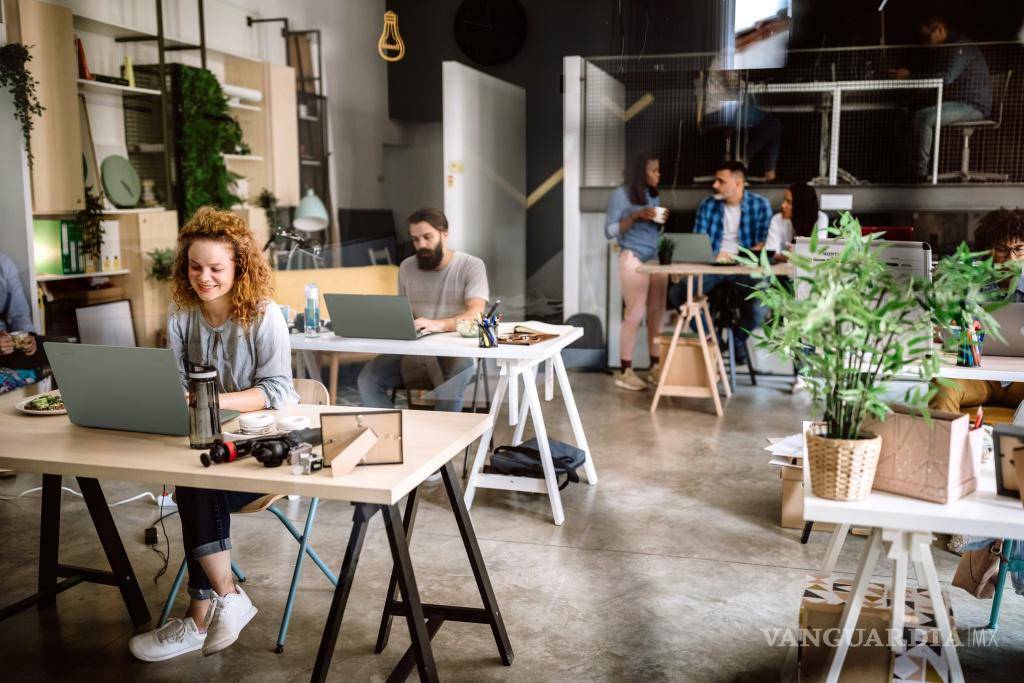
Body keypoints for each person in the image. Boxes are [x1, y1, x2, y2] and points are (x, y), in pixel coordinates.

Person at [129, 207, 298, 662]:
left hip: (265, 452)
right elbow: (172, 384)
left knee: (194, 486)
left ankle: (202, 612)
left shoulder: (265, 315)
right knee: (196, 480)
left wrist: (209, 401)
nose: (204, 277)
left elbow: (280, 390)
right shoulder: (183, 312)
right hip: (206, 448)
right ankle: (225, 597)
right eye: (195, 266)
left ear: (239, 267)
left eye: (216, 268)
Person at [358, 208, 488, 412]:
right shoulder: (407, 267)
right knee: (368, 379)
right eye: (415, 239)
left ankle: (442, 441)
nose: (421, 245)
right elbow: (403, 313)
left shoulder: (471, 266)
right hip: (416, 350)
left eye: (427, 237)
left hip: (457, 350)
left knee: (450, 384)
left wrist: (437, 325)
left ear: (445, 234)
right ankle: (392, 434)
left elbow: (475, 314)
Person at [669, 161, 772, 364]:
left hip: (746, 268)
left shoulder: (760, 205)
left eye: (721, 181)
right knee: (677, 293)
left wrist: (738, 257)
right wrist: (715, 256)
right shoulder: (708, 205)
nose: (715, 185)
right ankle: (712, 341)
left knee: (762, 301)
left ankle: (738, 339)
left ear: (738, 183)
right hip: (713, 267)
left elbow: (766, 244)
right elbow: (698, 242)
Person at [930, 208, 1024, 416]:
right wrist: (946, 332)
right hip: (979, 376)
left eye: (1019, 249)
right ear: (987, 251)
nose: (1011, 257)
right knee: (943, 386)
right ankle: (947, 447)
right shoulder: (970, 283)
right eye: (1002, 249)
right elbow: (944, 331)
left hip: (1021, 382)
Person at [890, 16, 992, 180]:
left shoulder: (960, 46)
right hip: (959, 102)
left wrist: (909, 77)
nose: (924, 43)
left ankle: (918, 176)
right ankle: (907, 168)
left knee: (924, 117)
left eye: (926, 37)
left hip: (973, 106)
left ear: (940, 30)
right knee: (911, 114)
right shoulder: (948, 48)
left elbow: (946, 78)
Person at [604, 153, 670, 391]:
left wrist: (658, 220)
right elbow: (610, 231)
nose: (658, 175)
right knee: (634, 314)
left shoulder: (653, 194)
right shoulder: (621, 195)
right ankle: (625, 371)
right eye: (654, 171)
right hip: (632, 257)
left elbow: (651, 232)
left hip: (654, 259)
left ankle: (655, 367)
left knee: (657, 314)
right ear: (641, 172)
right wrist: (636, 215)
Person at [0, 250, 40, 395]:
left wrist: (27, 337)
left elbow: (18, 313)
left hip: (7, 343)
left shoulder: (4, 263)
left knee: (59, 353)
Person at [764, 183, 829, 260]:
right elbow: (770, 251)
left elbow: (818, 250)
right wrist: (785, 257)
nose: (783, 205)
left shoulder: (820, 218)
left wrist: (798, 253)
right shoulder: (777, 219)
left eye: (788, 202)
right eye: (784, 200)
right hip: (783, 268)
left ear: (801, 205)